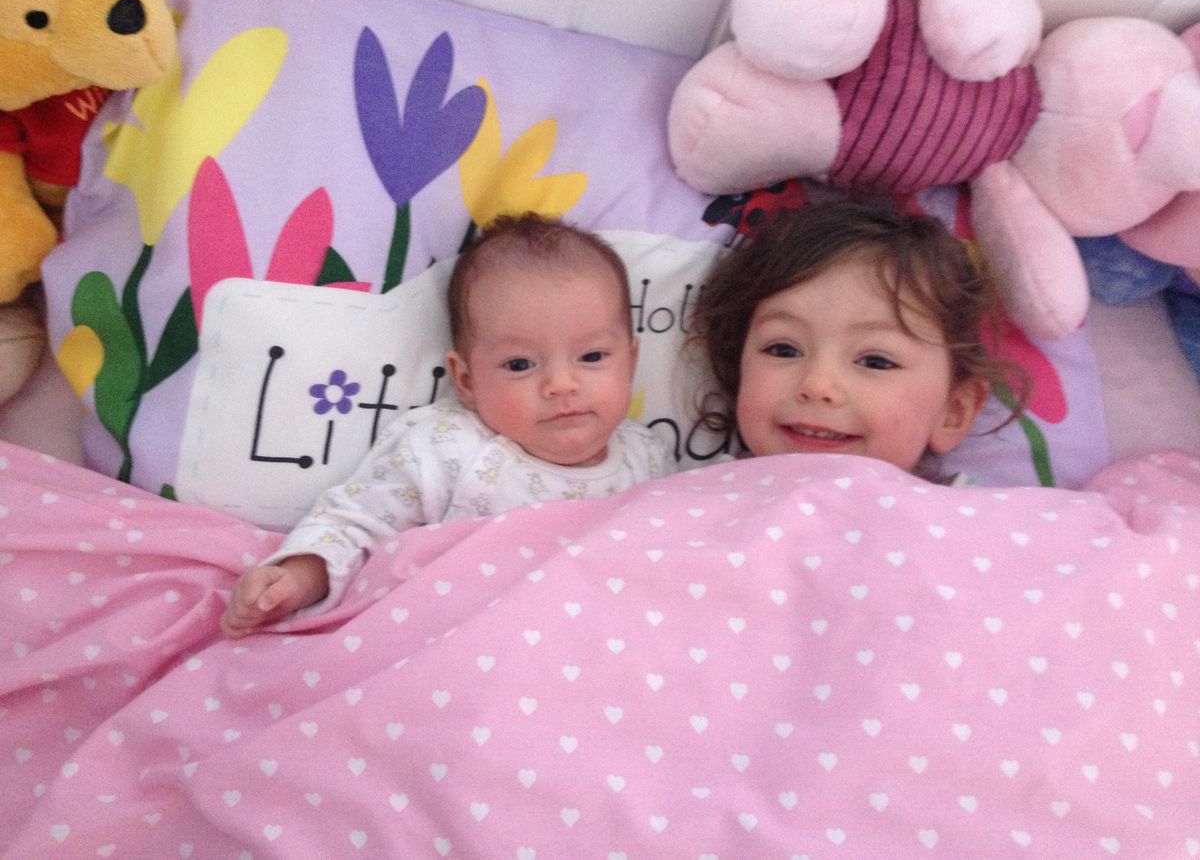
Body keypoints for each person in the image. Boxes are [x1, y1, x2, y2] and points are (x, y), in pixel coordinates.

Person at [221, 213, 674, 638]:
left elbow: (679, 554)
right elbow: (355, 524)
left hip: (602, 642)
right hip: (468, 639)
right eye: (519, 364)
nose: (561, 384)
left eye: (592, 356)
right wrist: (296, 579)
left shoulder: (648, 459)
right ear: (466, 381)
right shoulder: (445, 447)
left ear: (630, 361)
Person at [689, 197, 1022, 480]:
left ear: (954, 411)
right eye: (783, 349)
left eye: (875, 361)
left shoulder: (971, 520)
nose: (817, 385)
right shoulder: (694, 495)